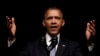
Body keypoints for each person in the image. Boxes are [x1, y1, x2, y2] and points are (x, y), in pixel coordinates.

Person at [18, 7, 83, 56]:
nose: (53, 22)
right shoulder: (31, 46)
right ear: (44, 23)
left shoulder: (73, 46)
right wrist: (12, 38)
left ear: (63, 22)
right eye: (49, 18)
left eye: (57, 18)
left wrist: (90, 42)